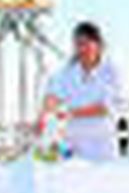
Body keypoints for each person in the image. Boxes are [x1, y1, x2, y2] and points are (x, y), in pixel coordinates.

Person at [38, 21, 124, 161]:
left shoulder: (111, 71)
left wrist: (71, 113)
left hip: (102, 145)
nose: (81, 49)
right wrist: (45, 115)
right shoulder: (68, 72)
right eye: (78, 44)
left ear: (98, 45)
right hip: (73, 144)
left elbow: (106, 107)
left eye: (86, 44)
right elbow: (53, 95)